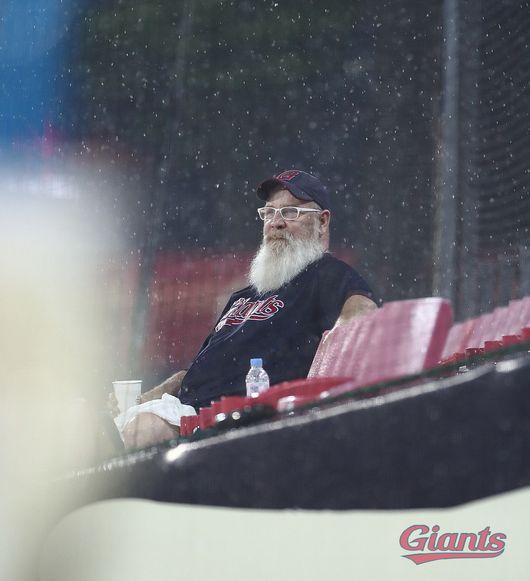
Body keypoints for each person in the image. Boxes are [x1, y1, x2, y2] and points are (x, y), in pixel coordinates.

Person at [116, 169, 377, 448]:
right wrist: (155, 394)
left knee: (138, 433)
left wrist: (324, 385)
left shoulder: (327, 276)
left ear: (322, 222)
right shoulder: (244, 295)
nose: (276, 223)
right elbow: (199, 369)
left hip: (238, 422)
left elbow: (364, 317)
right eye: (269, 213)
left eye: (290, 213)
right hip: (183, 413)